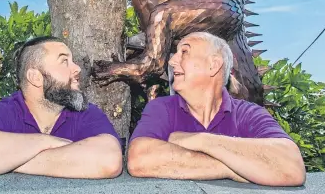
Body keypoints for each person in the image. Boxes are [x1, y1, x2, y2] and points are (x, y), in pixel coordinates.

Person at [127, 32, 306, 187]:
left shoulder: (249, 113)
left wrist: (201, 141)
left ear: (214, 65)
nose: (172, 61)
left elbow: (292, 167)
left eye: (184, 52)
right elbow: (139, 159)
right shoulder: (161, 108)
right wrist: (238, 169)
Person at [0, 36, 122, 178]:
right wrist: (45, 141)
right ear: (35, 77)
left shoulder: (85, 113)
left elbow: (110, 160)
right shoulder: (8, 111)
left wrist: (8, 162)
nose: (77, 69)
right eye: (64, 61)